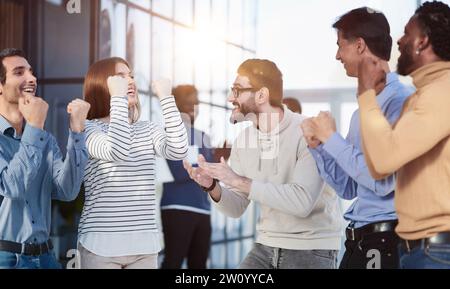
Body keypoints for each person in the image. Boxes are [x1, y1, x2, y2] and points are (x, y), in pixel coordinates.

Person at [184, 59, 342, 269]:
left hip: (310, 248)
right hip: (265, 247)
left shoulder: (308, 132)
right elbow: (237, 207)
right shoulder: (243, 140)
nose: (231, 97)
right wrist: (213, 187)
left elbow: (302, 203)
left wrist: (239, 181)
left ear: (261, 95)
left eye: (237, 90)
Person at [301, 7, 413, 269]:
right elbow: (350, 187)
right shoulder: (361, 112)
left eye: (341, 45)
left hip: (387, 240)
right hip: (360, 240)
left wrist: (331, 138)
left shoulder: (399, 103)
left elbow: (384, 180)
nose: (337, 55)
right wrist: (319, 147)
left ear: (360, 45)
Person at [356, 1, 450, 269]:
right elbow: (378, 168)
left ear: (422, 41)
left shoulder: (442, 92)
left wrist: (365, 93)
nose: (399, 40)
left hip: (438, 253)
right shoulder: (422, 96)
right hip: (419, 250)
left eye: (407, 34)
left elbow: (384, 159)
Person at [77, 57, 189, 269]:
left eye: (131, 76)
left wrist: (166, 98)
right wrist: (118, 98)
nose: (130, 81)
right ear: (102, 84)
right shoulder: (89, 128)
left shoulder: (147, 129)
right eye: (120, 77)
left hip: (144, 249)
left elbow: (179, 149)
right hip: (100, 247)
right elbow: (117, 149)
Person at [0, 48, 90, 269]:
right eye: (19, 72)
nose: (31, 79)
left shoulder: (44, 139)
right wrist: (35, 125)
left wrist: (77, 132)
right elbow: (13, 187)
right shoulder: (37, 133)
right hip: (6, 259)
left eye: (31, 72)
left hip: (47, 257)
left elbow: (67, 191)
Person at [160, 85, 214, 269]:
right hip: (177, 208)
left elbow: (212, 181)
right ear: (176, 106)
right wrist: (207, 167)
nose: (193, 107)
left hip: (203, 210)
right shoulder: (170, 133)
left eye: (196, 102)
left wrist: (218, 164)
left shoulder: (203, 136)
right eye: (188, 103)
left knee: (199, 267)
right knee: (173, 263)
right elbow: (180, 172)